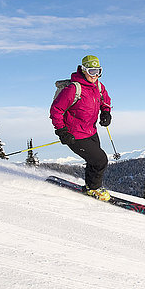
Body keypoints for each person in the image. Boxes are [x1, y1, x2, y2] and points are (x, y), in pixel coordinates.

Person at [50, 55, 112, 201]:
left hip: (91, 131)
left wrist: (106, 112)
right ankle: (94, 189)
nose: (95, 75)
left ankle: (90, 186)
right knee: (100, 160)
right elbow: (56, 110)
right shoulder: (73, 89)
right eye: (92, 71)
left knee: (93, 160)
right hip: (75, 135)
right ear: (83, 70)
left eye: (98, 71)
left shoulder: (98, 86)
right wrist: (61, 131)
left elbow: (105, 100)